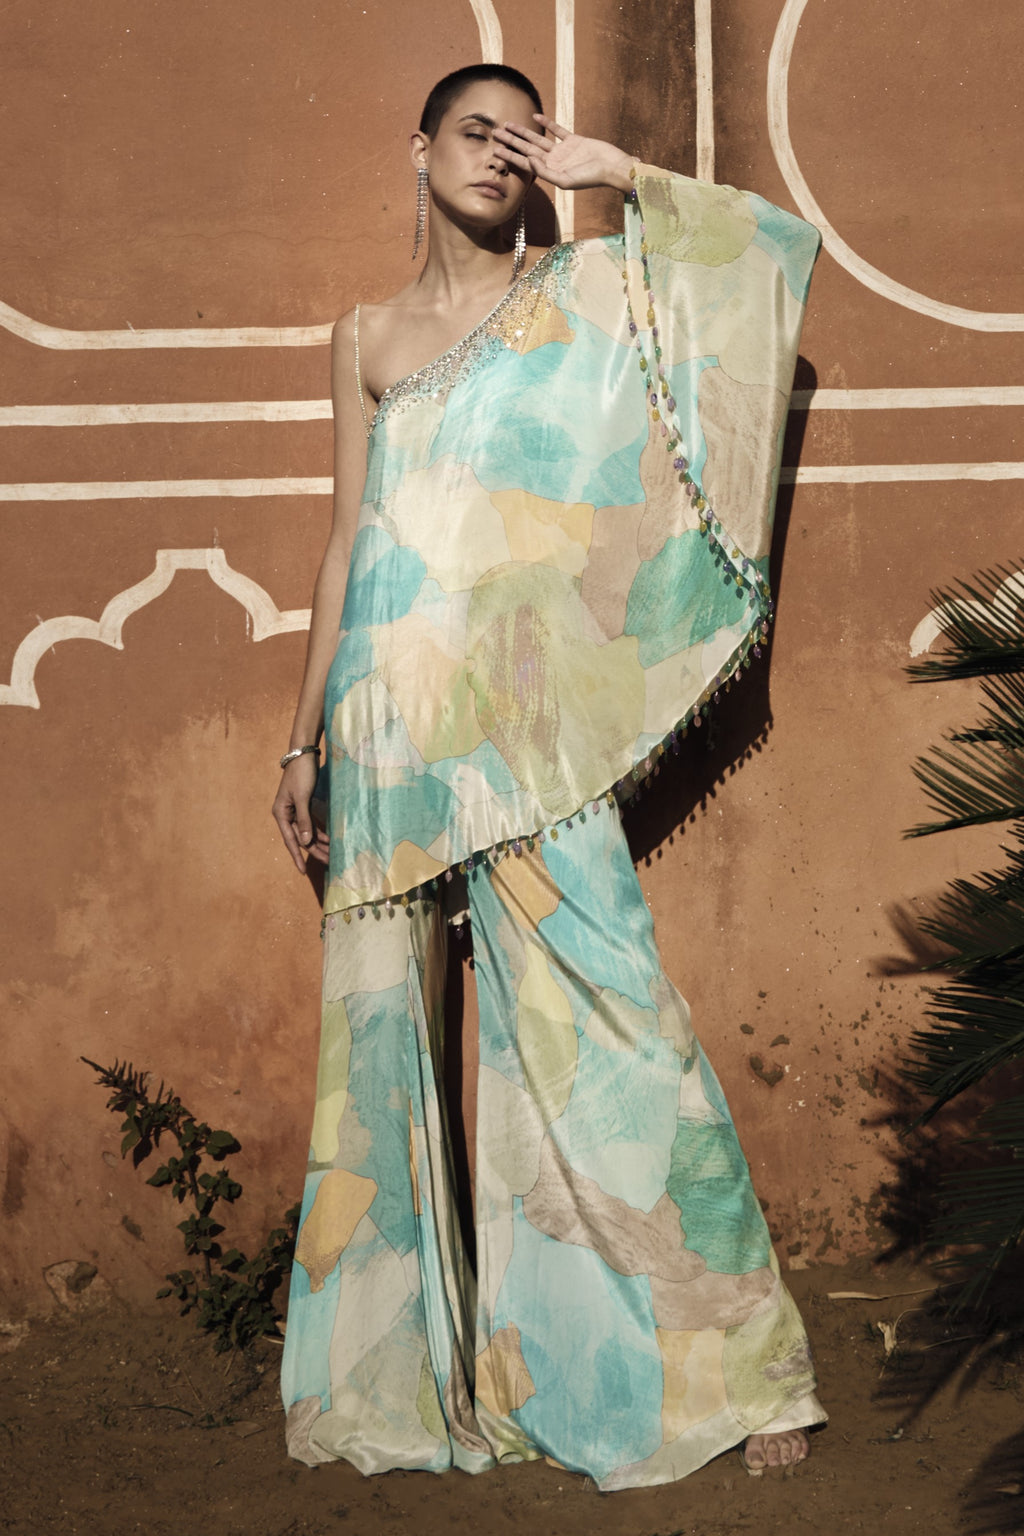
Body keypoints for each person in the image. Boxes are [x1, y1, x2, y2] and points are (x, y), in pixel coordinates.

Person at [272, 62, 825, 1488]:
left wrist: (615, 174)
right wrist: (304, 734)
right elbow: (348, 536)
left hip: (524, 723)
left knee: (608, 1017)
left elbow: (762, 256)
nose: (499, 158)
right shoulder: (366, 336)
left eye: (521, 141)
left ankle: (723, 1363)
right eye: (476, 132)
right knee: (377, 1040)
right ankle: (395, 1375)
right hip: (388, 719)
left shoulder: (577, 293)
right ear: (418, 150)